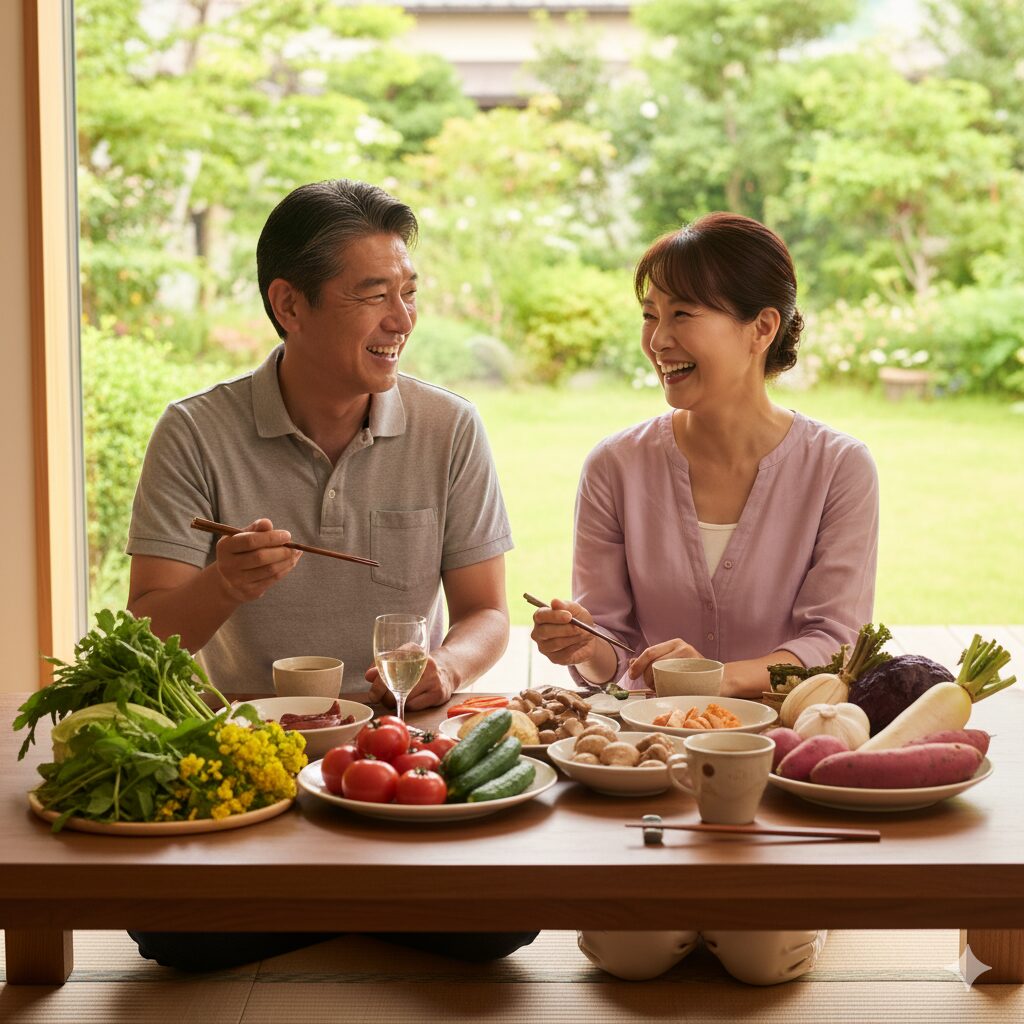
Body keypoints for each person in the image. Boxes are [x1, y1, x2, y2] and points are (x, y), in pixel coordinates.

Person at [125, 178, 534, 971]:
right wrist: (223, 585)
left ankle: (318, 899)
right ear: (290, 305)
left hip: (393, 754)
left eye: (409, 293)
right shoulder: (193, 433)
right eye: (373, 295)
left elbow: (487, 612)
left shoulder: (450, 427)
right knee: (167, 935)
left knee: (503, 929)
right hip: (247, 756)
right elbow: (147, 633)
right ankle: (363, 901)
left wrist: (443, 667)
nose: (403, 320)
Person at [531, 212, 879, 984]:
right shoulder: (614, 465)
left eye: (682, 314)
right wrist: (580, 643)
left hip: (778, 763)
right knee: (632, 953)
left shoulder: (839, 469)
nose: (658, 339)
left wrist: (718, 678)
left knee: (761, 959)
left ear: (761, 328)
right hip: (644, 762)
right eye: (650, 316)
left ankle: (790, 904)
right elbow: (609, 649)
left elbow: (836, 642)